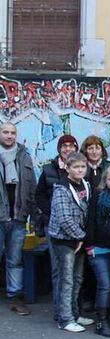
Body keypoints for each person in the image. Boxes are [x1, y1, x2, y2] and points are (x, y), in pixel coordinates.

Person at [35, 134, 79, 321]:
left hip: (74, 227)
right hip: (53, 226)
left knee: (74, 274)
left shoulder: (79, 169)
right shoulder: (48, 170)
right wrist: (53, 213)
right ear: (59, 149)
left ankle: (72, 310)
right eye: (64, 146)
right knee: (58, 270)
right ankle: (59, 311)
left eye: (71, 146)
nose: (67, 149)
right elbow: (39, 196)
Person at [48, 152, 92, 332]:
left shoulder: (86, 185)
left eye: (82, 166)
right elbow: (64, 218)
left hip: (80, 239)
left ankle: (74, 313)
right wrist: (80, 236)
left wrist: (83, 236)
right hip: (64, 240)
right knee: (66, 280)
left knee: (77, 278)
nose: (80, 170)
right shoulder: (61, 189)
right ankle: (64, 319)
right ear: (67, 168)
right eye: (75, 167)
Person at [84, 166, 110, 337]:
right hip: (99, 248)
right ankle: (101, 321)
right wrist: (89, 245)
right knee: (105, 284)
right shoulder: (98, 197)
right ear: (105, 180)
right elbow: (91, 221)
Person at [0, 122, 36, 316]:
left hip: (18, 218)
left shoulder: (24, 157)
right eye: (5, 132)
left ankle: (15, 298)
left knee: (15, 260)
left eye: (12, 133)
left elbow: (32, 188)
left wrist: (32, 214)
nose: (9, 136)